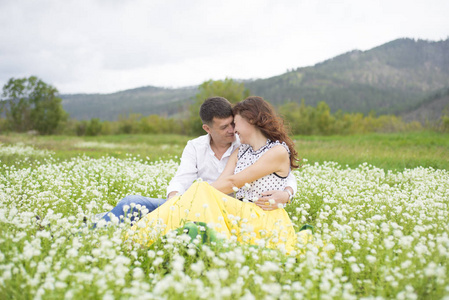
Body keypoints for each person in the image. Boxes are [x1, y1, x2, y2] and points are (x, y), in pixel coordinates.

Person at [126, 96, 302, 253]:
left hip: (262, 217)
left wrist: (288, 194)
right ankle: (143, 237)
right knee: (134, 202)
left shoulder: (276, 151)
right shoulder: (240, 150)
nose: (233, 130)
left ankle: (143, 237)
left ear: (251, 121)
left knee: (196, 196)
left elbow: (234, 181)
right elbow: (220, 183)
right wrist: (190, 198)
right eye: (227, 126)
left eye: (235, 123)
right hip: (235, 211)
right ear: (207, 128)